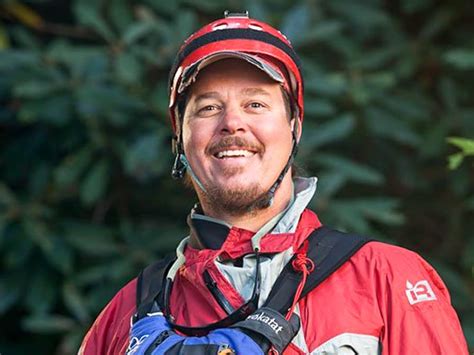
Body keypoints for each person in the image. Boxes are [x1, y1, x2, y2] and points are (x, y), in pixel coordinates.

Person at [79, 11, 468, 355]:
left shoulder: (387, 279)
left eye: (256, 104)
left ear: (295, 127)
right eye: (208, 107)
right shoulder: (126, 315)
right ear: (179, 137)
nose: (232, 123)